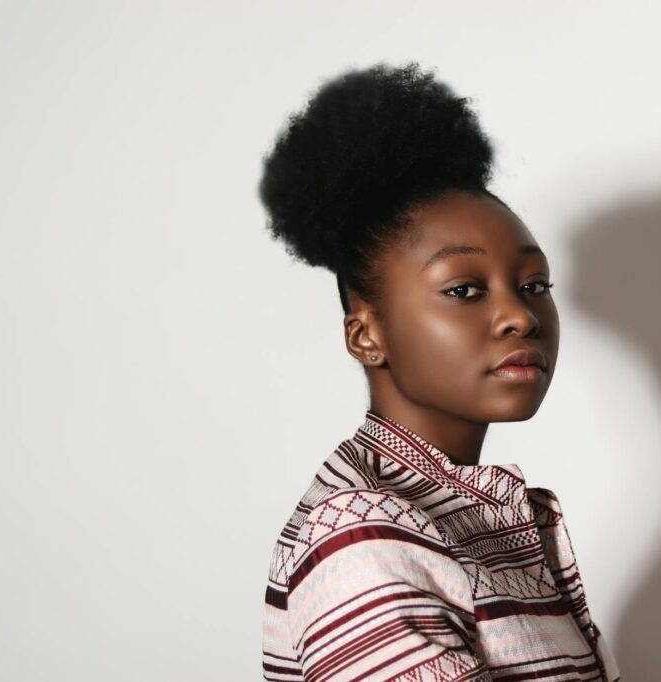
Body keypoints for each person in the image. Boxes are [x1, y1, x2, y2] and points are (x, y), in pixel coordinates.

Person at [258, 61, 621, 682]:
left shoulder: (469, 515)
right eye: (463, 290)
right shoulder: (363, 541)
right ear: (366, 335)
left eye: (535, 284)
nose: (520, 316)